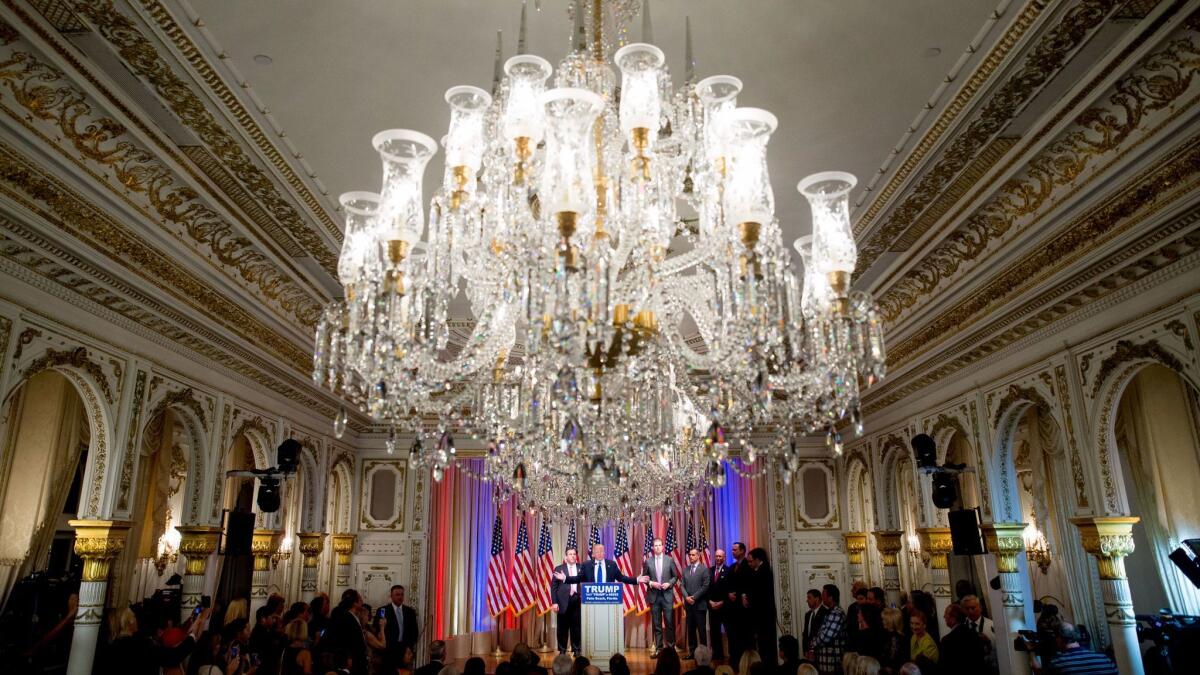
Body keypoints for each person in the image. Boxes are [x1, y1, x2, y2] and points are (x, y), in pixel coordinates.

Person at [641, 537, 681, 658]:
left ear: (663, 547)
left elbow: (675, 576)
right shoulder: (648, 561)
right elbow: (644, 578)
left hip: (667, 595)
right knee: (657, 624)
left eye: (659, 545)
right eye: (655, 545)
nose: (658, 547)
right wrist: (652, 583)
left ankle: (671, 649)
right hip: (654, 596)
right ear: (653, 548)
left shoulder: (669, 560)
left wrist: (669, 583)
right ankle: (658, 649)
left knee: (669, 623)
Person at [1031, 622, 1117, 675]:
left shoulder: (1057, 663)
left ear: (1059, 639)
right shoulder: (1104, 658)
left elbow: (1039, 673)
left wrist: (1031, 652)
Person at [745, 548, 778, 668]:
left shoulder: (764, 572)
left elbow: (760, 594)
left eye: (750, 561)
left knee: (765, 644)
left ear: (758, 560)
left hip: (764, 615)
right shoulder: (757, 571)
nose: (749, 564)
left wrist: (748, 599)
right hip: (760, 615)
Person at [551, 547, 584, 655]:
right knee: (562, 628)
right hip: (562, 602)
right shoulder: (559, 568)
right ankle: (562, 650)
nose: (573, 556)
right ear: (566, 557)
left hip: (577, 600)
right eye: (570, 554)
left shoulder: (581, 568)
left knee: (576, 627)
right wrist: (555, 602)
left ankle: (577, 649)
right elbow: (554, 588)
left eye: (574, 554)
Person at [807, 584, 847, 675]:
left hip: (831, 662)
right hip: (825, 661)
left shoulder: (836, 613)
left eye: (823, 594)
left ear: (830, 598)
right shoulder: (830, 612)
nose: (821, 597)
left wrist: (813, 644)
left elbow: (825, 636)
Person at [327, 589, 369, 675]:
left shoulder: (353, 616)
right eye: (360, 599)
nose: (362, 601)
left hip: (358, 660)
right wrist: (349, 658)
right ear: (355, 603)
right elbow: (347, 641)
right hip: (353, 662)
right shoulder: (347, 618)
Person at [683, 547, 713, 657]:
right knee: (691, 631)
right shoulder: (686, 569)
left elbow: (705, 586)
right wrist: (687, 597)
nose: (691, 557)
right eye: (690, 555)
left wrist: (693, 597)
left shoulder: (704, 569)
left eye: (693, 555)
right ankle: (692, 653)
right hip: (689, 606)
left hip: (700, 606)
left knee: (701, 631)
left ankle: (704, 654)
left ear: (698, 556)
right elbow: (682, 585)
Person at [381, 584, 419, 671]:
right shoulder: (383, 610)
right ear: (391, 596)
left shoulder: (410, 612)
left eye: (402, 594)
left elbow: (414, 632)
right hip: (389, 651)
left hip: (405, 650)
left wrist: (409, 647)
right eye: (397, 595)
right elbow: (379, 629)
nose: (400, 597)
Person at [727, 542, 752, 667]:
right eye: (732, 549)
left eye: (735, 549)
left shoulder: (748, 566)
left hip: (743, 610)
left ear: (742, 551)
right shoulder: (732, 567)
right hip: (732, 609)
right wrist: (728, 594)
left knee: (743, 637)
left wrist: (740, 594)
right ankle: (734, 660)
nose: (733, 551)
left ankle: (744, 663)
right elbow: (727, 585)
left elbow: (747, 585)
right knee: (733, 636)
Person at [938, 604, 983, 674]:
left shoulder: (947, 641)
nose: (944, 616)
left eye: (946, 614)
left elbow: (944, 667)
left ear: (953, 619)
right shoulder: (974, 634)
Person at [708, 548, 732, 660]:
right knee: (714, 632)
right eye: (716, 556)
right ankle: (717, 654)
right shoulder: (710, 570)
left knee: (729, 631)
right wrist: (710, 602)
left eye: (720, 556)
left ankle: (732, 655)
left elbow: (730, 589)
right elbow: (706, 589)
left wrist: (723, 602)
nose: (718, 558)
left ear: (724, 558)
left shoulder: (729, 571)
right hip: (713, 607)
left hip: (725, 607)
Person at [876, 608, 908, 675]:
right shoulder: (888, 634)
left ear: (890, 621)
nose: (882, 622)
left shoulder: (896, 638)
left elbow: (891, 660)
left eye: (884, 620)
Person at [801, 589, 825, 656]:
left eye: (809, 598)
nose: (807, 601)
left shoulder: (825, 612)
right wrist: (805, 650)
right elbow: (805, 634)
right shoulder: (808, 615)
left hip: (821, 652)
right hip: (809, 653)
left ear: (817, 599)